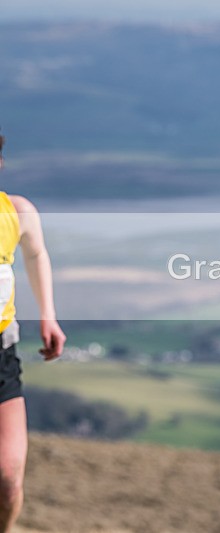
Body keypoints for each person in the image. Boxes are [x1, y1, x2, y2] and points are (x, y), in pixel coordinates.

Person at [0, 133, 67, 533]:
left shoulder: (16, 212)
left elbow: (37, 253)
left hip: (2, 354)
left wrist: (48, 315)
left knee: (8, 481)